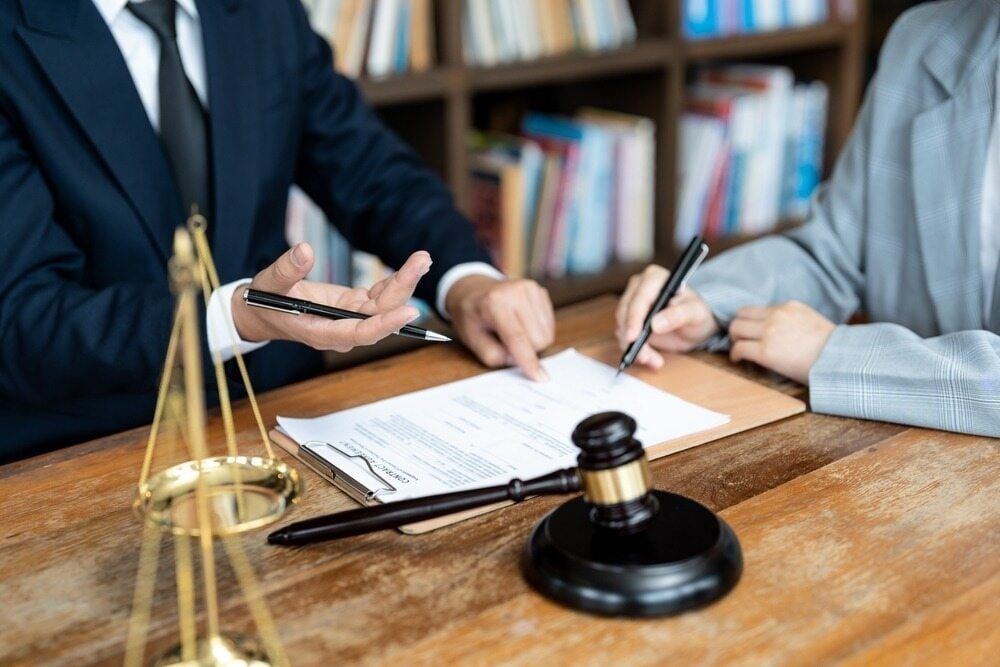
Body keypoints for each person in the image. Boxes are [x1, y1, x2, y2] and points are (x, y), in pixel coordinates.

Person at [0, 0, 555, 462]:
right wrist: (231, 317)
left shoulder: (261, 10)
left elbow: (367, 168)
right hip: (91, 445)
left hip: (280, 415)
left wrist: (467, 282)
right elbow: (22, 317)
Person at [617, 0, 999, 437]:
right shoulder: (925, 38)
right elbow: (832, 251)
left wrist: (833, 354)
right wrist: (703, 301)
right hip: (894, 458)